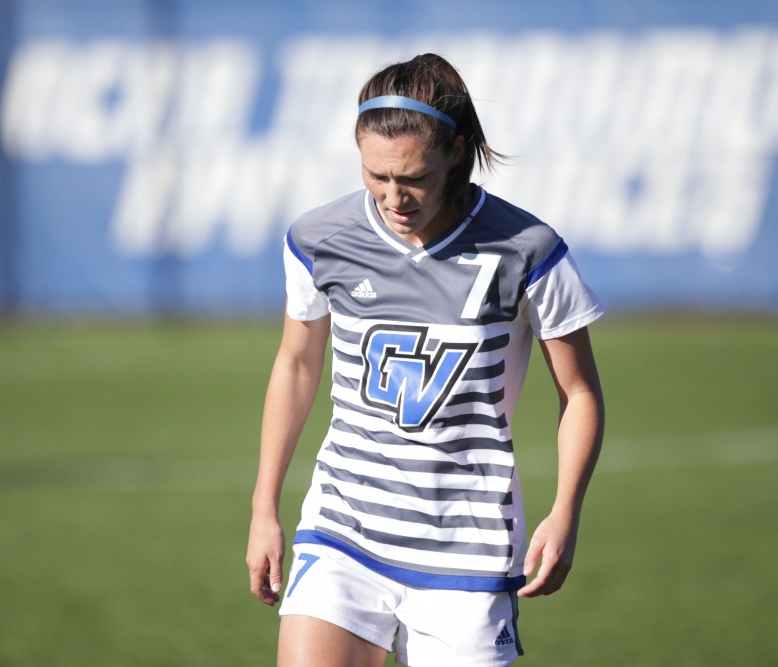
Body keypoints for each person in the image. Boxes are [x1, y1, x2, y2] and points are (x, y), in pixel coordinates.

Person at [246, 53, 605, 667]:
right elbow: (297, 366)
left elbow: (579, 394)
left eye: (413, 177)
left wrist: (565, 513)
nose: (393, 196)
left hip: (466, 551)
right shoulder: (318, 239)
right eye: (375, 175)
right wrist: (264, 509)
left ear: (457, 153)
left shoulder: (528, 250)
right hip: (343, 529)